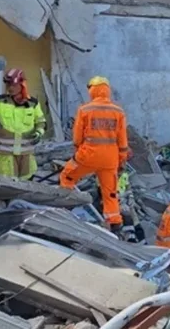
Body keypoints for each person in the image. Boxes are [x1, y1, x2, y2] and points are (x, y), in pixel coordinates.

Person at [59, 76, 129, 237]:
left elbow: (77, 137)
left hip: (88, 155)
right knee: (110, 193)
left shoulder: (85, 109)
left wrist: (78, 151)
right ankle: (115, 223)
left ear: (92, 90)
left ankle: (66, 207)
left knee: (67, 176)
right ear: (107, 90)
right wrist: (122, 158)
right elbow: (122, 139)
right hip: (110, 159)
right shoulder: (118, 111)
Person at [0, 69, 46, 180]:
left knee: (27, 184)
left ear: (22, 85)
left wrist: (39, 133)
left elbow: (41, 122)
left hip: (26, 156)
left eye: (13, 85)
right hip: (5, 157)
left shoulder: (33, 103)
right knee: (6, 186)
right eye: (8, 84)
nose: (10, 88)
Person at [117, 169, 145, 243]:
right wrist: (121, 197)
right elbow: (108, 194)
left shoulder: (124, 175)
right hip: (114, 202)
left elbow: (128, 186)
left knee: (134, 216)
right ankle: (129, 237)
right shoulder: (109, 177)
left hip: (124, 200)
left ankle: (140, 239)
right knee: (127, 214)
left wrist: (131, 197)